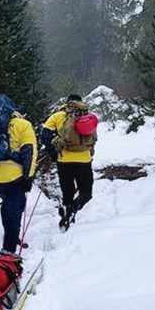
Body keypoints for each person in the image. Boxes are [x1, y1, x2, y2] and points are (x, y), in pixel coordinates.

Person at [0, 96, 37, 256]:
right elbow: (29, 153)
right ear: (22, 114)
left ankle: (12, 238)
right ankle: (9, 250)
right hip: (13, 176)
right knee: (14, 207)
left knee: (9, 204)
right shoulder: (23, 125)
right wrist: (28, 178)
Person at [40, 93, 96, 231]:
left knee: (67, 190)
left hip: (64, 159)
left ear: (67, 103)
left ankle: (67, 211)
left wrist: (52, 152)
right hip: (84, 159)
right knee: (86, 193)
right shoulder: (88, 117)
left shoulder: (58, 116)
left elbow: (45, 135)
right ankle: (73, 209)